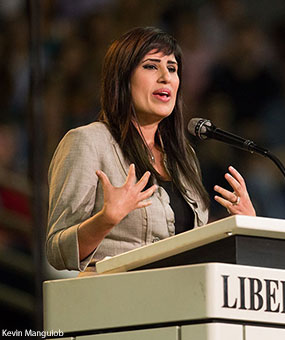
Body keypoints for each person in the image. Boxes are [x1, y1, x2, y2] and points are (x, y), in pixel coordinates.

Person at [46, 27, 255, 273]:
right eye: (151, 66)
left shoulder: (183, 156)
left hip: (180, 301)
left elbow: (194, 248)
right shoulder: (88, 142)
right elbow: (56, 250)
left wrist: (240, 225)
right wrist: (106, 219)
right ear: (123, 78)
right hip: (117, 301)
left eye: (173, 68)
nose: (166, 77)